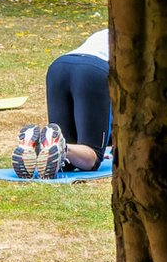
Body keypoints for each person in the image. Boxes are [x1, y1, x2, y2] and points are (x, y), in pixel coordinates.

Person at [14, 29, 114, 178]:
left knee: (64, 160)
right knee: (91, 158)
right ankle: (62, 147)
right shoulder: (149, 42)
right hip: (93, 71)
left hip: (59, 67)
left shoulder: (110, 29)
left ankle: (33, 146)